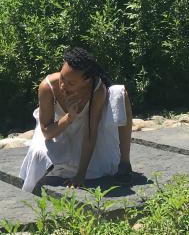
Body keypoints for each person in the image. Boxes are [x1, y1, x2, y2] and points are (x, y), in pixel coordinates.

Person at [19, 47, 133, 193]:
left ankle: (125, 164)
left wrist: (81, 175)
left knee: (119, 93)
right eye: (62, 78)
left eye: (71, 83)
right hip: (57, 133)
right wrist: (69, 117)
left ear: (86, 81)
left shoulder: (96, 90)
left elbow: (91, 134)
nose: (62, 85)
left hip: (86, 137)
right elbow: (47, 133)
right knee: (39, 154)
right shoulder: (47, 87)